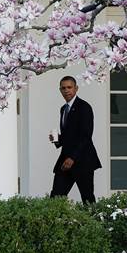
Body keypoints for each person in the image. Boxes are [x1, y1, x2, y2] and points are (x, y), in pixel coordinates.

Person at [49, 76, 102, 204]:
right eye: (63, 88)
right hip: (65, 161)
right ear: (60, 90)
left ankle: (92, 224)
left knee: (87, 198)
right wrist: (57, 139)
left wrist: (72, 157)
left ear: (76, 88)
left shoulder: (84, 107)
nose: (66, 90)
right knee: (55, 197)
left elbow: (86, 136)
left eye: (69, 87)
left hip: (83, 161)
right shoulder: (63, 109)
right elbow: (70, 136)